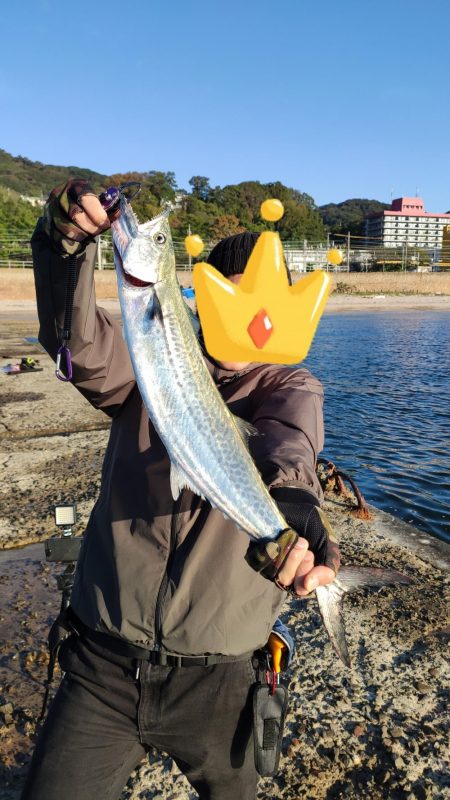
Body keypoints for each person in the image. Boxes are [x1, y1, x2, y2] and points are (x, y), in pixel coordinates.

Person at [22, 180, 340, 800]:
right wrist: (64, 245)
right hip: (103, 662)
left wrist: (298, 517)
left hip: (224, 678)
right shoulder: (154, 352)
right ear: (202, 297)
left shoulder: (289, 387)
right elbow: (77, 346)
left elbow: (289, 450)